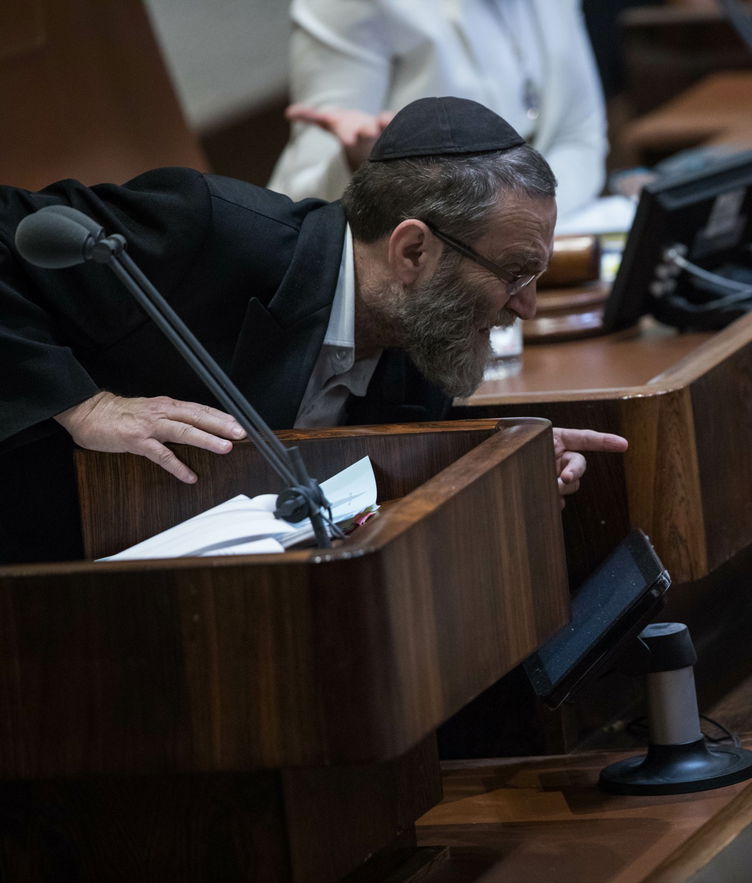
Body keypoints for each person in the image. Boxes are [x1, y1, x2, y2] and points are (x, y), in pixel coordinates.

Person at [0, 97, 624, 564]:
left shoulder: (420, 346)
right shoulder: (210, 230)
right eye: (515, 275)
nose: (528, 308)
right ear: (412, 252)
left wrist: (496, 466)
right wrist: (84, 404)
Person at [267, 0, 607, 218]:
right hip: (420, 276)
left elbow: (580, 134)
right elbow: (303, 204)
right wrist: (357, 164)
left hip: (540, 245)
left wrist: (534, 236)